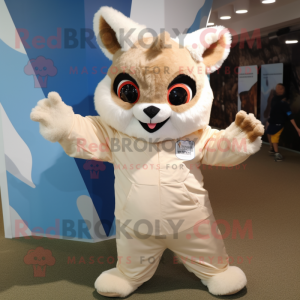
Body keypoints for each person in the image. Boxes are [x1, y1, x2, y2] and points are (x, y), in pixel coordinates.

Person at [266, 83, 300, 161]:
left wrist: (297, 128)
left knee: (274, 137)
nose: (279, 89)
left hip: (279, 123)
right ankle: (272, 149)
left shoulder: (284, 103)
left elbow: (290, 115)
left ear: (284, 90)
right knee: (269, 132)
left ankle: (277, 154)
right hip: (272, 121)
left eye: (281, 88)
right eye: (278, 87)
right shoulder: (274, 99)